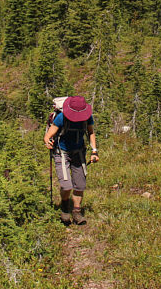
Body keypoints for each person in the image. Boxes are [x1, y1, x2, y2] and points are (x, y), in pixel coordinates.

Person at [43, 95, 99, 225]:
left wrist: (94, 151)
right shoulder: (61, 117)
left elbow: (91, 132)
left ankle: (77, 212)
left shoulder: (87, 117)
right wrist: (48, 142)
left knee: (80, 185)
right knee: (66, 185)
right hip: (62, 153)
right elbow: (48, 136)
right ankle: (64, 208)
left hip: (79, 152)